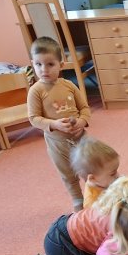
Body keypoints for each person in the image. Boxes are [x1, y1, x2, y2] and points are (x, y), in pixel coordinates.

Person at [28, 36, 91, 212]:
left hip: (81, 138)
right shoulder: (36, 91)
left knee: (89, 169)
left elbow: (85, 108)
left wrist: (81, 121)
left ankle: (95, 195)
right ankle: (78, 200)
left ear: (61, 65)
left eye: (50, 64)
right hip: (57, 143)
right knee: (68, 174)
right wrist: (54, 124)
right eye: (38, 64)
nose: (44, 69)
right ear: (32, 64)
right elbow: (34, 118)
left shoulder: (69, 85)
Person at [70, 136, 120, 209]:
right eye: (112, 174)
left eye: (116, 171)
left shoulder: (103, 181)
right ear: (93, 178)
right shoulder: (92, 204)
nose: (118, 175)